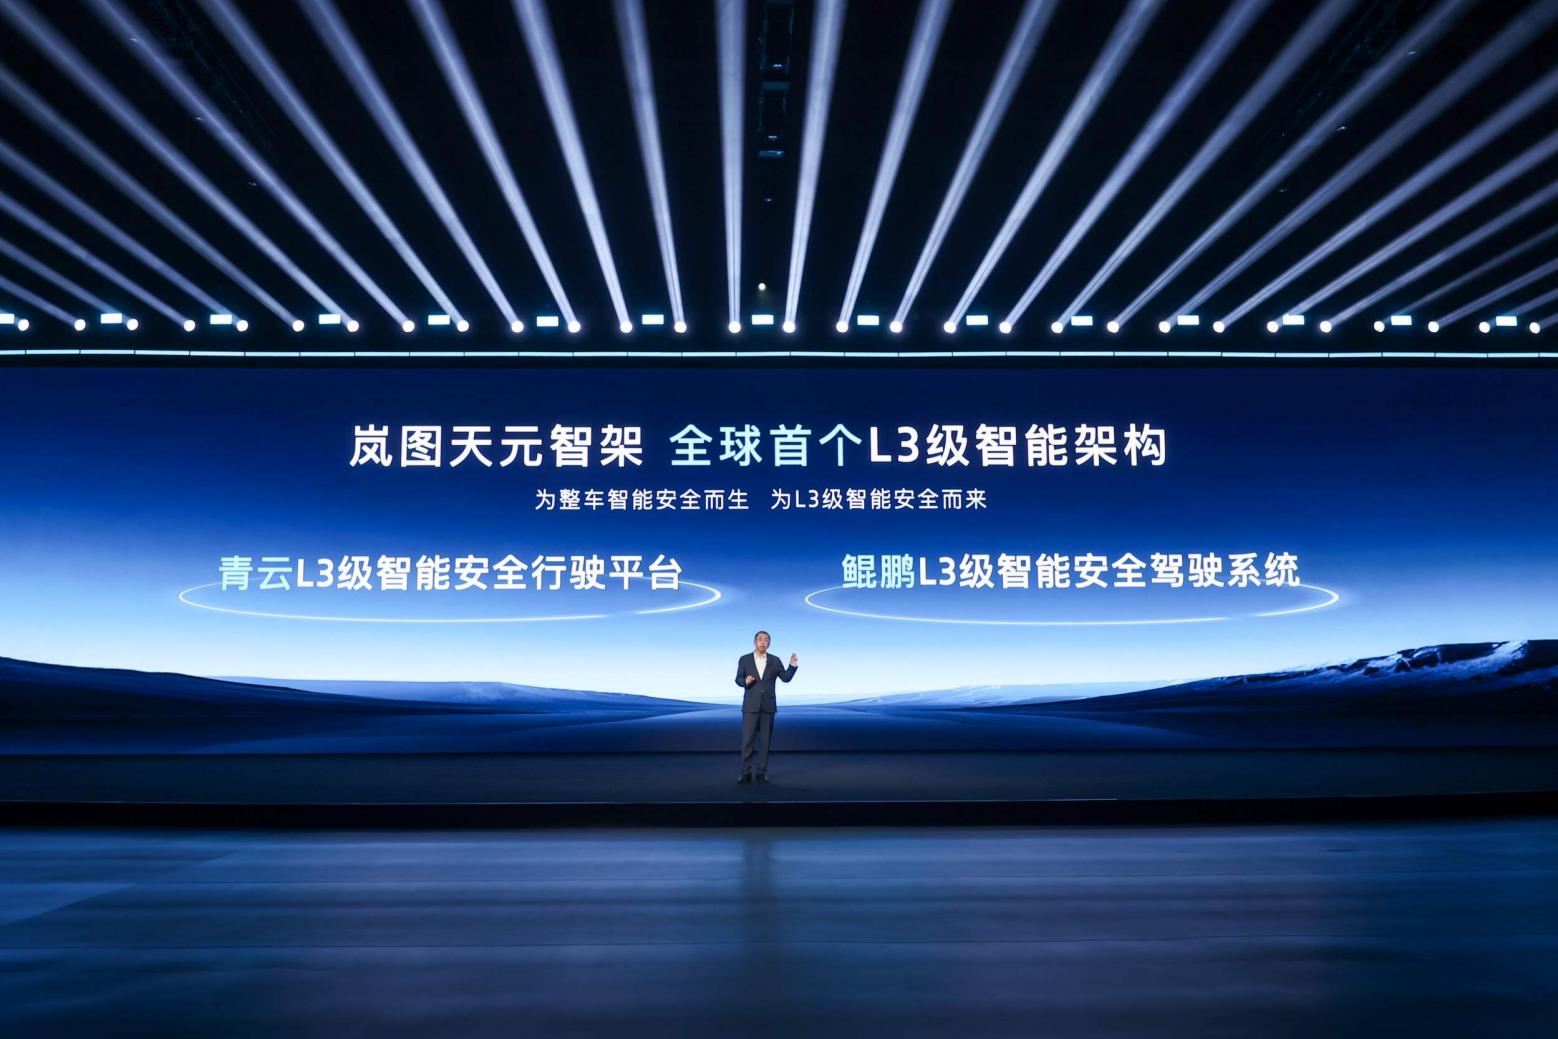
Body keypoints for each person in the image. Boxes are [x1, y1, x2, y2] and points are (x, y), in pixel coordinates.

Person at [734, 630, 798, 784]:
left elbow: (786, 678)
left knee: (765, 742)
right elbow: (738, 679)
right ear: (755, 642)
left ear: (769, 643)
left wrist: (792, 666)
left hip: (768, 706)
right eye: (760, 639)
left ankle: (761, 773)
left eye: (766, 640)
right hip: (750, 705)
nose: (763, 642)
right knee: (747, 741)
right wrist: (745, 681)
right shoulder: (744, 659)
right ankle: (745, 773)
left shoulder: (775, 660)